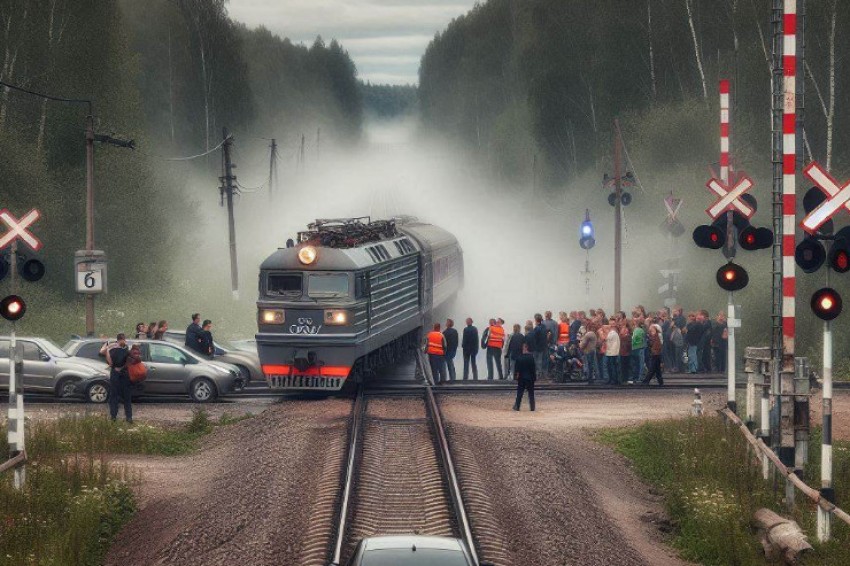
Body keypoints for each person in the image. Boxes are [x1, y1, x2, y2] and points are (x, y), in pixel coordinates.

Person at [105, 333, 133, 423]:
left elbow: (110, 363)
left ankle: (114, 417)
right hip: (124, 374)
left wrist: (108, 348)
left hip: (115, 373)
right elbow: (131, 359)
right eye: (123, 340)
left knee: (114, 396)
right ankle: (128, 418)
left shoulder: (112, 349)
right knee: (126, 396)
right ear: (123, 339)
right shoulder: (128, 348)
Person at [512, 342, 536, 411]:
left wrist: (516, 377)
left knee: (519, 393)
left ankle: (517, 406)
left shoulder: (519, 358)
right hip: (530, 378)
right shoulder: (531, 357)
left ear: (525, 348)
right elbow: (533, 368)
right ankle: (532, 407)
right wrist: (534, 378)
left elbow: (516, 369)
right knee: (531, 394)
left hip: (521, 378)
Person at [630, 319, 646, 383]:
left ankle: (639, 377)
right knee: (639, 363)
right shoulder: (640, 330)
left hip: (637, 348)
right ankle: (638, 377)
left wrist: (632, 343)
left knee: (639, 364)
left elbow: (635, 339)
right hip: (639, 348)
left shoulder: (637, 330)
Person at [605, 320, 621, 385]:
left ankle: (614, 380)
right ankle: (611, 379)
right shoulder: (611, 333)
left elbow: (606, 339)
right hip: (610, 352)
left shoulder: (613, 333)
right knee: (610, 367)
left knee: (612, 367)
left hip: (612, 353)